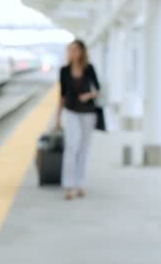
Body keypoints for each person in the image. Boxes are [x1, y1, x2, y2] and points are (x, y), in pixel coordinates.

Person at [55, 39, 100, 200]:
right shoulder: (64, 71)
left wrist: (88, 95)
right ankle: (68, 185)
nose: (72, 52)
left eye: (75, 49)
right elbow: (61, 95)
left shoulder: (89, 69)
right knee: (72, 146)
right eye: (70, 50)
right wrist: (57, 118)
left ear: (82, 51)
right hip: (71, 111)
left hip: (88, 112)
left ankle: (80, 183)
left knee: (84, 148)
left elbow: (98, 90)